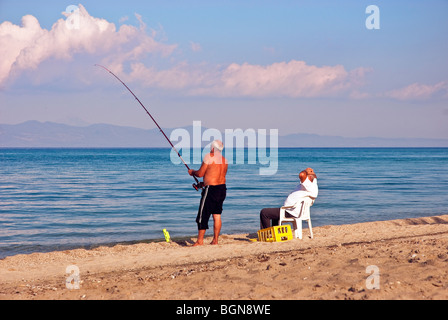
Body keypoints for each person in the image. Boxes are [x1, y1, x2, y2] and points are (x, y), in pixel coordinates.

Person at [188, 140, 228, 246]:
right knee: (217, 215)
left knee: (202, 215)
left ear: (213, 148)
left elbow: (200, 173)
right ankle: (215, 240)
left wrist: (192, 172)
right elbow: (215, 176)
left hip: (211, 190)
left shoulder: (208, 157)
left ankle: (200, 241)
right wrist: (203, 184)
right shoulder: (224, 160)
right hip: (222, 189)